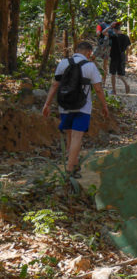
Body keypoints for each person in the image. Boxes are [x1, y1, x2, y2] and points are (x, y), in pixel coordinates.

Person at [42, 41, 110, 178]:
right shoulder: (90, 66)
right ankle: (69, 170)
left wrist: (47, 104)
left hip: (65, 105)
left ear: (76, 50)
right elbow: (98, 89)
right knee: (77, 136)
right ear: (89, 52)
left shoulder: (63, 63)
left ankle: (73, 162)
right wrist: (104, 106)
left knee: (69, 135)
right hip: (83, 107)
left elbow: (55, 84)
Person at [108, 22, 131, 95]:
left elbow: (103, 32)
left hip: (114, 56)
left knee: (113, 73)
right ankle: (126, 84)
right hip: (122, 56)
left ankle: (114, 90)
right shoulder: (126, 36)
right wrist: (127, 57)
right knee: (120, 74)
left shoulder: (114, 36)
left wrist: (109, 27)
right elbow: (128, 48)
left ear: (114, 29)